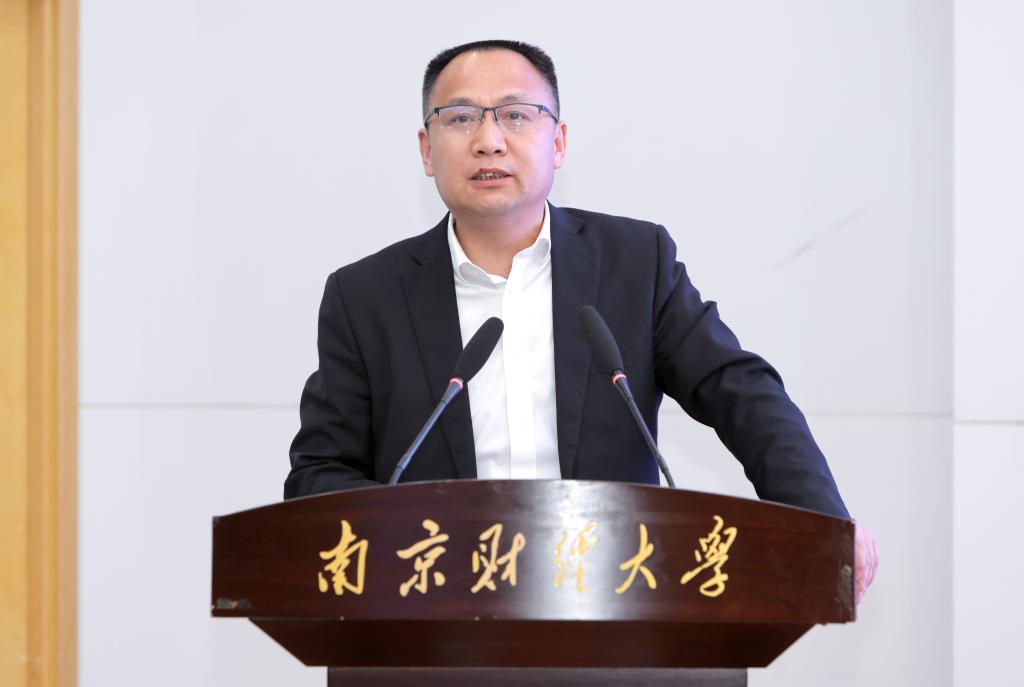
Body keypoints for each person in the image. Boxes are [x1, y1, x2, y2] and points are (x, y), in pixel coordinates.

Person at [284, 40, 878, 603]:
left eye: (516, 115)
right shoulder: (365, 296)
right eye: (461, 118)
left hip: (613, 600)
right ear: (425, 148)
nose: (489, 140)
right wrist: (405, 540)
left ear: (559, 141)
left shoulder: (636, 263)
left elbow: (740, 391)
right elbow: (321, 471)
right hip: (431, 609)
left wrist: (820, 523)